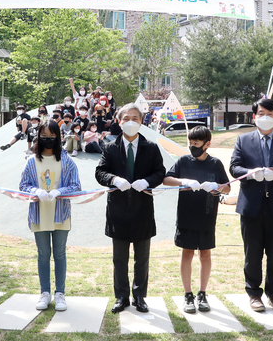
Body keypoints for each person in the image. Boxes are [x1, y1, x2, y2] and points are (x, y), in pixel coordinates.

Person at [229, 98, 273, 313]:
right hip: (251, 206)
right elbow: (234, 167)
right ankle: (254, 293)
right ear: (254, 117)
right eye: (261, 113)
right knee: (252, 253)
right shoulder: (243, 140)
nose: (265, 117)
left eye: (270, 114)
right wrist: (252, 174)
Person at [95, 103, 166, 314]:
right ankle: (121, 296)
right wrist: (114, 179)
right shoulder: (110, 147)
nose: (130, 122)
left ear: (142, 121)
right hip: (118, 210)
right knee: (119, 259)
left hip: (143, 210)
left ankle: (139, 296)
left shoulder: (151, 147)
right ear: (118, 121)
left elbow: (160, 172)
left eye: (135, 118)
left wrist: (147, 181)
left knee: (142, 258)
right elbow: (100, 172)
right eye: (126, 118)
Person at [163, 126, 230, 313]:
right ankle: (188, 294)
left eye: (196, 143)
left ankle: (202, 293)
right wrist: (182, 181)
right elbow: (166, 179)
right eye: (190, 143)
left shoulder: (215, 164)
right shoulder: (184, 161)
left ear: (207, 144)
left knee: (205, 254)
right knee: (187, 253)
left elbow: (227, 188)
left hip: (207, 215)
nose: (192, 146)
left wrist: (217, 185)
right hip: (186, 215)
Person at [19, 120, 81, 311]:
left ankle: (60, 293)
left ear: (58, 137)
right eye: (44, 136)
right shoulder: (31, 162)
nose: (48, 140)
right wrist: (35, 191)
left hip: (61, 214)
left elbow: (76, 186)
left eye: (52, 136)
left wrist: (59, 191)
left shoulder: (67, 160)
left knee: (60, 254)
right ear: (38, 137)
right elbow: (23, 186)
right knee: (43, 254)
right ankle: (44, 292)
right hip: (39, 215)